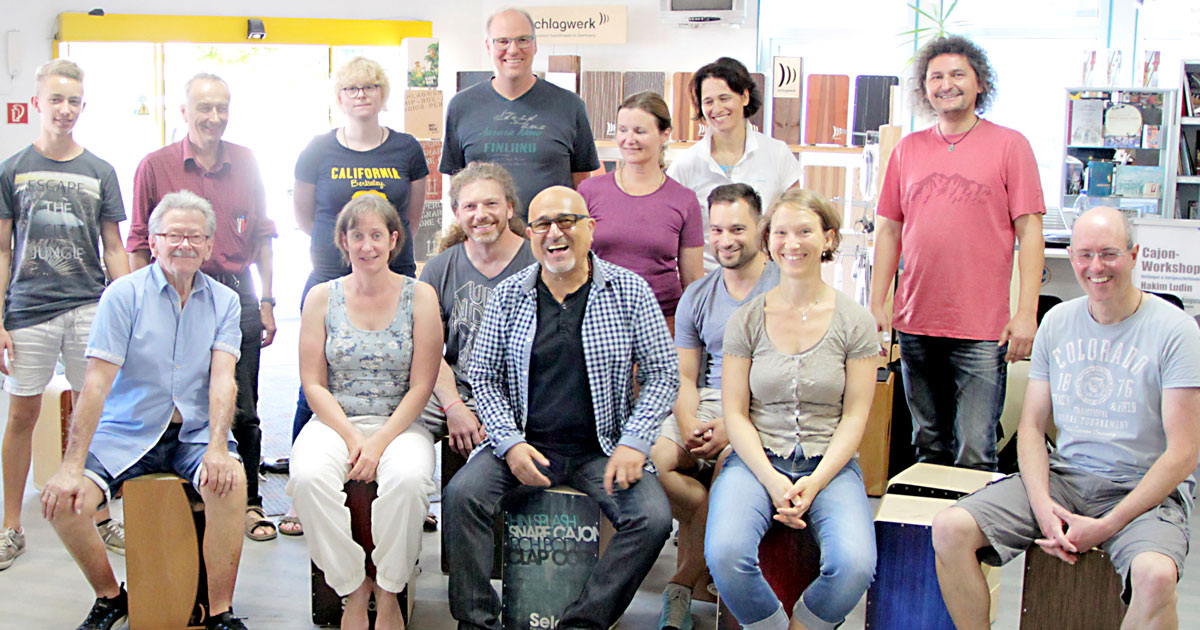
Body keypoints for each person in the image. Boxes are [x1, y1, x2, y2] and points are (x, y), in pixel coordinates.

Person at [931, 207, 1200, 630]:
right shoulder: (1057, 321)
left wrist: (1108, 525)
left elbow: (1184, 453)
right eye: (1085, 255)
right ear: (1071, 256)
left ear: (1134, 255)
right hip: (1066, 477)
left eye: (1109, 254)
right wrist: (1043, 507)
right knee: (950, 528)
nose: (1096, 267)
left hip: (1144, 488)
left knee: (1156, 576)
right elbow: (1033, 427)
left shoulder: (1177, 332)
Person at [443, 186, 677, 630]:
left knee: (652, 520)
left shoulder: (629, 291)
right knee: (462, 496)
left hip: (602, 449)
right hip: (525, 447)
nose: (555, 233)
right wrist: (510, 444)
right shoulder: (509, 296)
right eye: (542, 225)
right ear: (529, 234)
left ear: (590, 228)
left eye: (566, 221)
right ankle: (477, 623)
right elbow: (484, 377)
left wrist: (635, 443)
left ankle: (582, 623)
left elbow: (664, 373)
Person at [40, 191, 250, 630]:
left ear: (210, 246)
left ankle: (219, 611)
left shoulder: (224, 302)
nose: (185, 245)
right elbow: (96, 382)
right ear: (153, 242)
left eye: (196, 237)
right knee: (64, 503)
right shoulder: (123, 295)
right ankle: (110, 597)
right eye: (174, 235)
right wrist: (70, 466)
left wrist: (217, 447)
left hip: (193, 432)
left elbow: (222, 379)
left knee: (230, 485)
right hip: (128, 430)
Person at [869, 35, 1046, 472]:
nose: (946, 84)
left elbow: (1031, 230)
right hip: (916, 320)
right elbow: (889, 229)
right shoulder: (908, 149)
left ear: (980, 83)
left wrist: (1026, 313)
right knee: (926, 444)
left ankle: (970, 540)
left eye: (957, 75)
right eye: (936, 77)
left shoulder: (1010, 145)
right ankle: (928, 536)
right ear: (924, 88)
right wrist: (877, 303)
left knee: (974, 449)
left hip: (983, 328)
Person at [706, 189, 878, 630]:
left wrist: (815, 482)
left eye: (805, 231)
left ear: (829, 238)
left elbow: (856, 415)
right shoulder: (746, 319)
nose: (792, 243)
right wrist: (771, 478)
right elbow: (736, 413)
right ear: (768, 241)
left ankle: (807, 625)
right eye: (780, 233)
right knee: (725, 554)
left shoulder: (855, 321)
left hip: (830, 464)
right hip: (755, 461)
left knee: (856, 564)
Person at [126, 72, 278, 542]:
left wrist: (268, 299)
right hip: (172, 295)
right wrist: (138, 301)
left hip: (236, 293)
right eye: (204, 108)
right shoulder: (154, 165)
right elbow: (138, 241)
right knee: (172, 397)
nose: (214, 117)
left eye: (222, 108)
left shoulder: (247, 162)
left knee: (242, 404)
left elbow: (263, 236)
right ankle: (166, 493)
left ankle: (248, 500)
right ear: (184, 112)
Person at [288, 56, 430, 534]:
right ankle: (300, 498)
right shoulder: (317, 150)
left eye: (371, 86)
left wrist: (377, 253)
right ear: (339, 95)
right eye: (351, 87)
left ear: (383, 93)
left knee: (396, 378)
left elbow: (408, 219)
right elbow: (306, 217)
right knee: (316, 389)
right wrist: (348, 254)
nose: (361, 94)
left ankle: (405, 488)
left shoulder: (408, 149)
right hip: (331, 276)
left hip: (392, 277)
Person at [287, 194, 441, 630]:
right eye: (357, 235)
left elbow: (422, 385)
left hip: (401, 424)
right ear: (343, 240)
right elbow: (314, 383)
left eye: (377, 235)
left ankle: (390, 589)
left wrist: (379, 441)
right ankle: (353, 587)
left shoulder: (421, 296)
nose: (367, 245)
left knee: (410, 481)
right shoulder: (321, 297)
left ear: (394, 240)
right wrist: (355, 440)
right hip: (335, 422)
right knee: (307, 478)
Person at [0, 58, 130, 570]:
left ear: (83, 106)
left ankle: (100, 514)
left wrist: (124, 309)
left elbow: (114, 247)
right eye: (56, 99)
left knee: (95, 415)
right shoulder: (12, 169)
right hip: (28, 310)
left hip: (88, 309)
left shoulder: (100, 171)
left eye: (73, 101)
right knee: (21, 416)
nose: (65, 109)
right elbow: (3, 250)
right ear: (37, 103)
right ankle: (10, 524)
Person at [650, 183, 779, 630]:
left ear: (761, 228)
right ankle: (704, 526)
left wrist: (732, 426)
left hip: (763, 406)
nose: (726, 239)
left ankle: (682, 582)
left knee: (730, 468)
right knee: (659, 460)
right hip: (704, 403)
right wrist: (688, 422)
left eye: (738, 228)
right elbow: (684, 375)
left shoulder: (781, 288)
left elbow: (781, 382)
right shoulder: (698, 295)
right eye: (718, 229)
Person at [417, 162, 535, 459]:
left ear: (509, 208)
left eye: (491, 203)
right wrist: (453, 406)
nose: (480, 214)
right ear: (457, 214)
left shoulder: (539, 262)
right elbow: (426, 349)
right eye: (470, 206)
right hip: (454, 390)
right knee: (391, 431)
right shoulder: (438, 269)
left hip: (518, 398)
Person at [439, 8, 600, 219]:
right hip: (487, 242)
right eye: (503, 41)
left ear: (535, 44)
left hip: (550, 242)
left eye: (523, 40)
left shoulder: (570, 106)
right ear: (489, 46)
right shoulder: (461, 106)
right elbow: (457, 185)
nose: (513, 50)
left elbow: (581, 184)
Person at [580, 91, 704, 326]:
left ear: (665, 134)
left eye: (640, 131)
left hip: (662, 323)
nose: (629, 139)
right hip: (598, 320)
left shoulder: (684, 200)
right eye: (622, 130)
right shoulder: (589, 191)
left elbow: (693, 280)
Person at [667, 57, 801, 270]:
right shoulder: (685, 164)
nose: (717, 108)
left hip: (766, 280)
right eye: (708, 102)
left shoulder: (777, 154)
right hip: (708, 281)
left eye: (724, 98)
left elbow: (796, 219)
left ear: (745, 97)